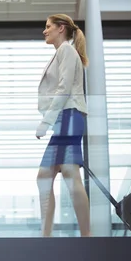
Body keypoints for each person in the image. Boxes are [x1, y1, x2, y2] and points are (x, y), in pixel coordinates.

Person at [36, 13, 90, 237]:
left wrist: (45, 121)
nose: (44, 31)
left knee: (69, 172)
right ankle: (46, 235)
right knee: (44, 176)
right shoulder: (62, 52)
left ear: (61, 28)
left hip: (68, 115)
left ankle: (87, 235)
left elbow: (64, 88)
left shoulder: (66, 51)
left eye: (48, 27)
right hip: (63, 119)